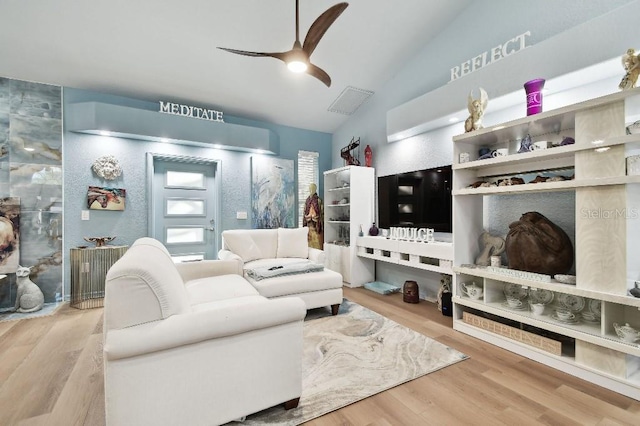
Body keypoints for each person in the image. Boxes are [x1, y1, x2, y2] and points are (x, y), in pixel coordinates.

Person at [303, 183, 324, 249]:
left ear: (315, 189)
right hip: (309, 223)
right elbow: (304, 212)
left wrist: (321, 222)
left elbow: (322, 212)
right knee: (309, 241)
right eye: (310, 188)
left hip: (317, 224)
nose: (311, 190)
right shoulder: (307, 200)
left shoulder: (319, 200)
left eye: (313, 188)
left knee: (318, 242)